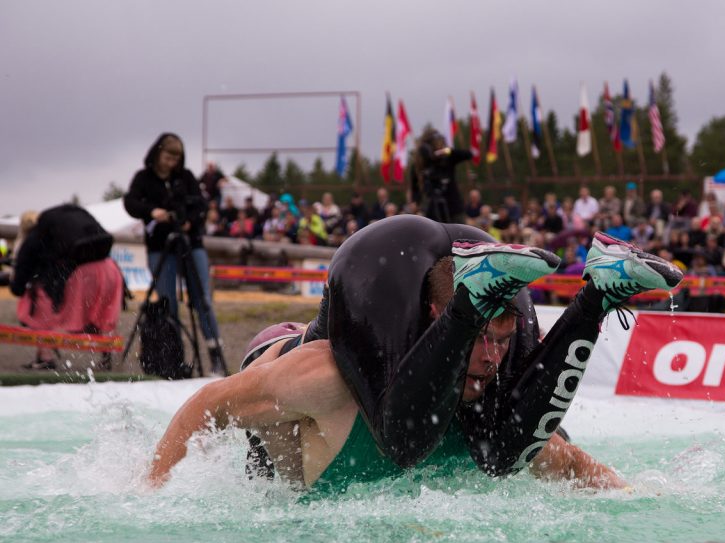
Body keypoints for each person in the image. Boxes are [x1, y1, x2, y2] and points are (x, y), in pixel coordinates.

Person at [146, 215, 683, 492]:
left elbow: (567, 462)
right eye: (482, 341)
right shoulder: (323, 378)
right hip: (291, 353)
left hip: (415, 363)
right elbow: (206, 406)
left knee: (512, 447)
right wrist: (148, 491)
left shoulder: (489, 411)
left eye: (502, 340)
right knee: (280, 436)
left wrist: (635, 496)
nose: (493, 359)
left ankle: (598, 295)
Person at [123, 132, 227, 376]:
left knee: (202, 300)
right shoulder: (143, 178)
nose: (171, 163)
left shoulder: (186, 177)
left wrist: (189, 219)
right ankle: (174, 358)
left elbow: (200, 204)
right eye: (168, 157)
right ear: (158, 153)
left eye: (175, 158)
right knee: (168, 304)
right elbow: (130, 203)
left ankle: (216, 356)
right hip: (160, 247)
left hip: (190, 243)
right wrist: (152, 212)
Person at [9, 205, 123, 370]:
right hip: (110, 269)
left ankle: (45, 357)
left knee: (42, 305)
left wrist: (16, 287)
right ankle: (106, 356)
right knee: (102, 312)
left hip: (83, 274)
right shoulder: (69, 230)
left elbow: (22, 275)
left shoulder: (35, 237)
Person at [410, 131, 473, 223]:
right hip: (433, 208)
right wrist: (416, 202)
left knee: (459, 233)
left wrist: (448, 152)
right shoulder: (421, 164)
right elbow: (415, 187)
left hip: (453, 206)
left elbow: (468, 154)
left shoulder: (447, 158)